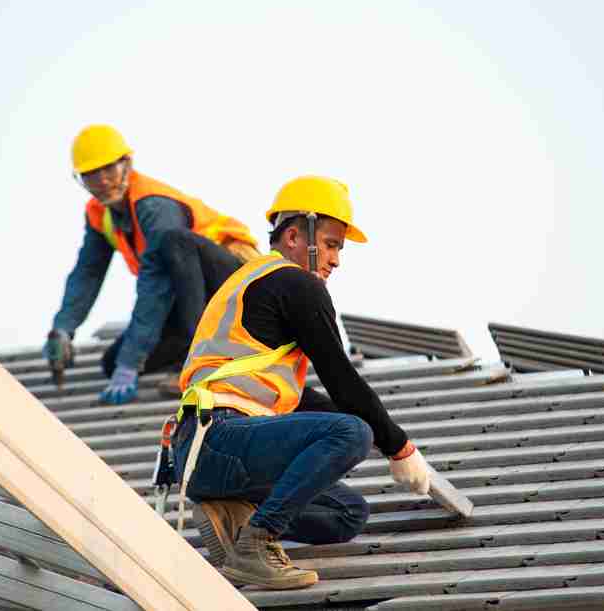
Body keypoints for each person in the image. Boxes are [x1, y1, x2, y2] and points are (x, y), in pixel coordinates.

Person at [170, 175, 430, 590]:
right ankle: (256, 543)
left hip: (204, 449)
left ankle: (231, 511)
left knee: (347, 512)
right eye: (330, 244)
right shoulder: (296, 283)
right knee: (352, 433)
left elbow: (308, 400)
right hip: (220, 436)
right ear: (294, 235)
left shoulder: (251, 280)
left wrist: (387, 443)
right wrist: (399, 446)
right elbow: (342, 379)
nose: (336, 260)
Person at [44, 124, 260, 405]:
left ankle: (205, 366)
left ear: (127, 165)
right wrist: (62, 328)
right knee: (111, 364)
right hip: (193, 302)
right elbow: (87, 273)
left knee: (174, 242)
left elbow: (156, 285)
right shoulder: (100, 213)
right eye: (91, 175)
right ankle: (195, 353)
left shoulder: (154, 206)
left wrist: (131, 362)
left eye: (108, 170)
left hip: (240, 292)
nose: (103, 181)